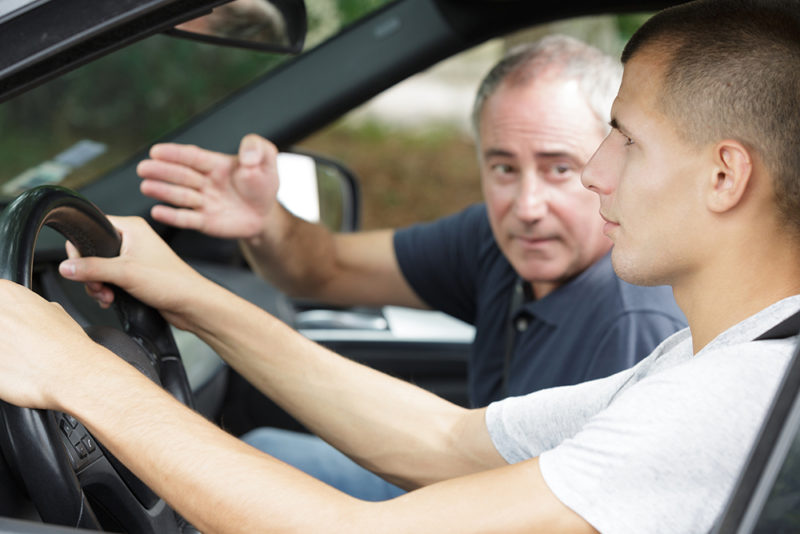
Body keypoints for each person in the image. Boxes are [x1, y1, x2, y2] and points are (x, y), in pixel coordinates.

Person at [0, 0, 796, 531]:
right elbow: (446, 441)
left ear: (725, 175)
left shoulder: (732, 406)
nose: (596, 173)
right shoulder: (723, 358)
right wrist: (191, 295)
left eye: (625, 138)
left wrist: (80, 374)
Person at [134, 36, 686, 499]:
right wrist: (265, 222)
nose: (527, 205)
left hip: (515, 509)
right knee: (261, 455)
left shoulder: (635, 323)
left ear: (611, 163)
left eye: (560, 167)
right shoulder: (494, 242)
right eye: (503, 167)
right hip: (479, 486)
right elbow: (324, 270)